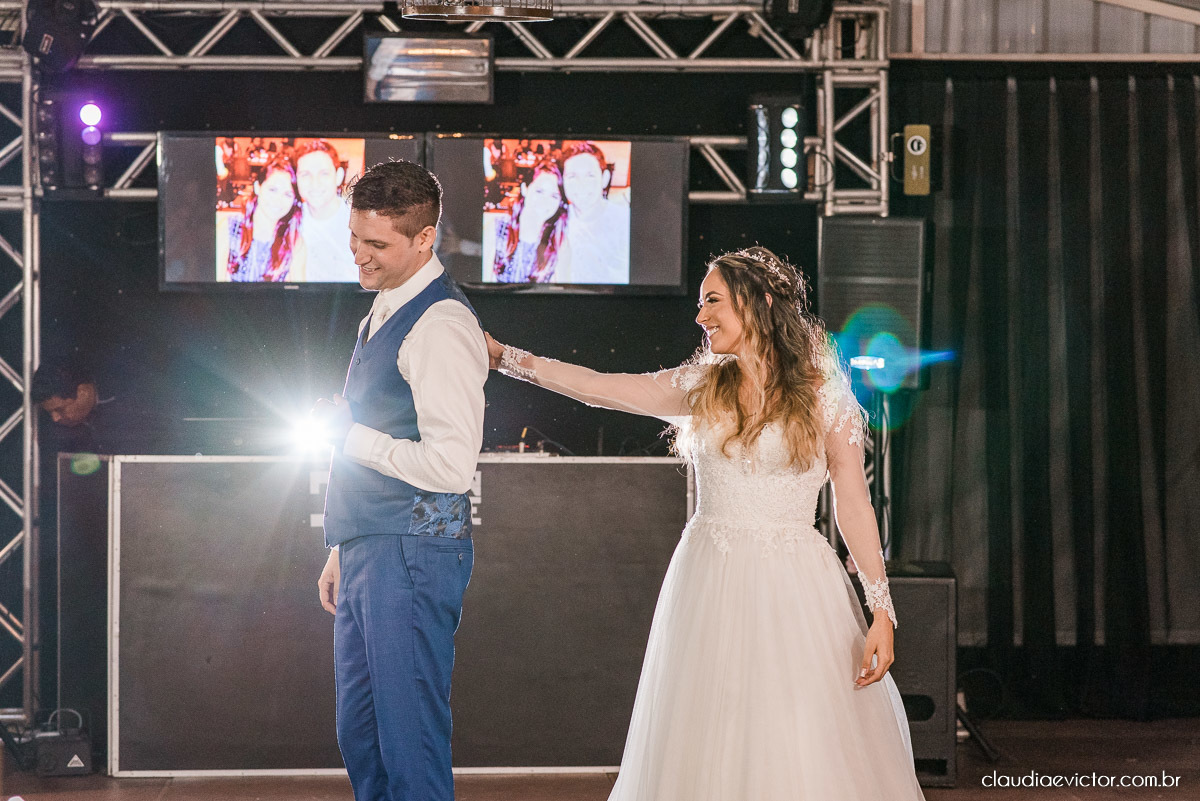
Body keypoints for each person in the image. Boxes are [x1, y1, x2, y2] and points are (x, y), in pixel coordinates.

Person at [485, 247, 925, 801]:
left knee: (795, 733)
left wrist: (881, 610)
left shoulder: (824, 396)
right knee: (708, 729)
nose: (700, 316)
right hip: (708, 579)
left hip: (794, 587)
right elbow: (601, 386)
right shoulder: (702, 384)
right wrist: (505, 358)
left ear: (760, 302)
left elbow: (854, 504)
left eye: (712, 301)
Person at [310, 160, 488, 801]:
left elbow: (450, 467)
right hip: (372, 546)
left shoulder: (441, 326)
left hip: (412, 553)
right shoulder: (384, 308)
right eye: (355, 238)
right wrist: (345, 544)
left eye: (376, 244)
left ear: (424, 239)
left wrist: (349, 437)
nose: (359, 254)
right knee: (363, 737)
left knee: (408, 743)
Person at [218, 155, 307, 282]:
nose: (278, 200)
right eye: (272, 190)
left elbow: (299, 291)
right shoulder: (230, 229)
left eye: (287, 194)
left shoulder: (293, 242)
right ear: (257, 187)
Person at [559, 141, 630, 284]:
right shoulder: (558, 222)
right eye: (572, 176)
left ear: (605, 179)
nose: (581, 184)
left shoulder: (626, 222)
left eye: (590, 176)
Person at [491, 157, 570, 283]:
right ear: (525, 189)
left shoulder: (557, 241)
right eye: (539, 191)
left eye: (554, 196)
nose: (545, 201)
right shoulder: (497, 229)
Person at [296, 140, 357, 282]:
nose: (315, 183)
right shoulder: (290, 220)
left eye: (324, 174)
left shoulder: (360, 221)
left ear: (339, 176)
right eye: (305, 175)